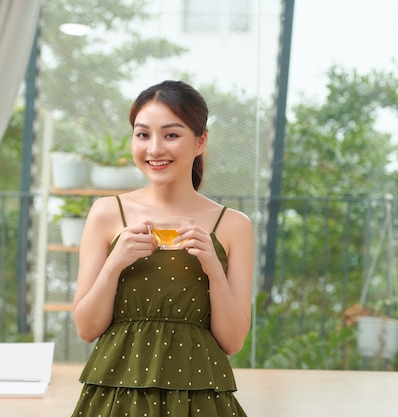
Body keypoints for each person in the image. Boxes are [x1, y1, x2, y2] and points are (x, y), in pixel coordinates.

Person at [70, 80, 254, 416]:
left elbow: (233, 341)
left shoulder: (233, 225)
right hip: (116, 397)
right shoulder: (107, 214)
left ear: (201, 141)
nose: (154, 149)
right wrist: (114, 264)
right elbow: (86, 329)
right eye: (142, 135)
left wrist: (213, 266)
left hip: (199, 399)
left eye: (171, 135)